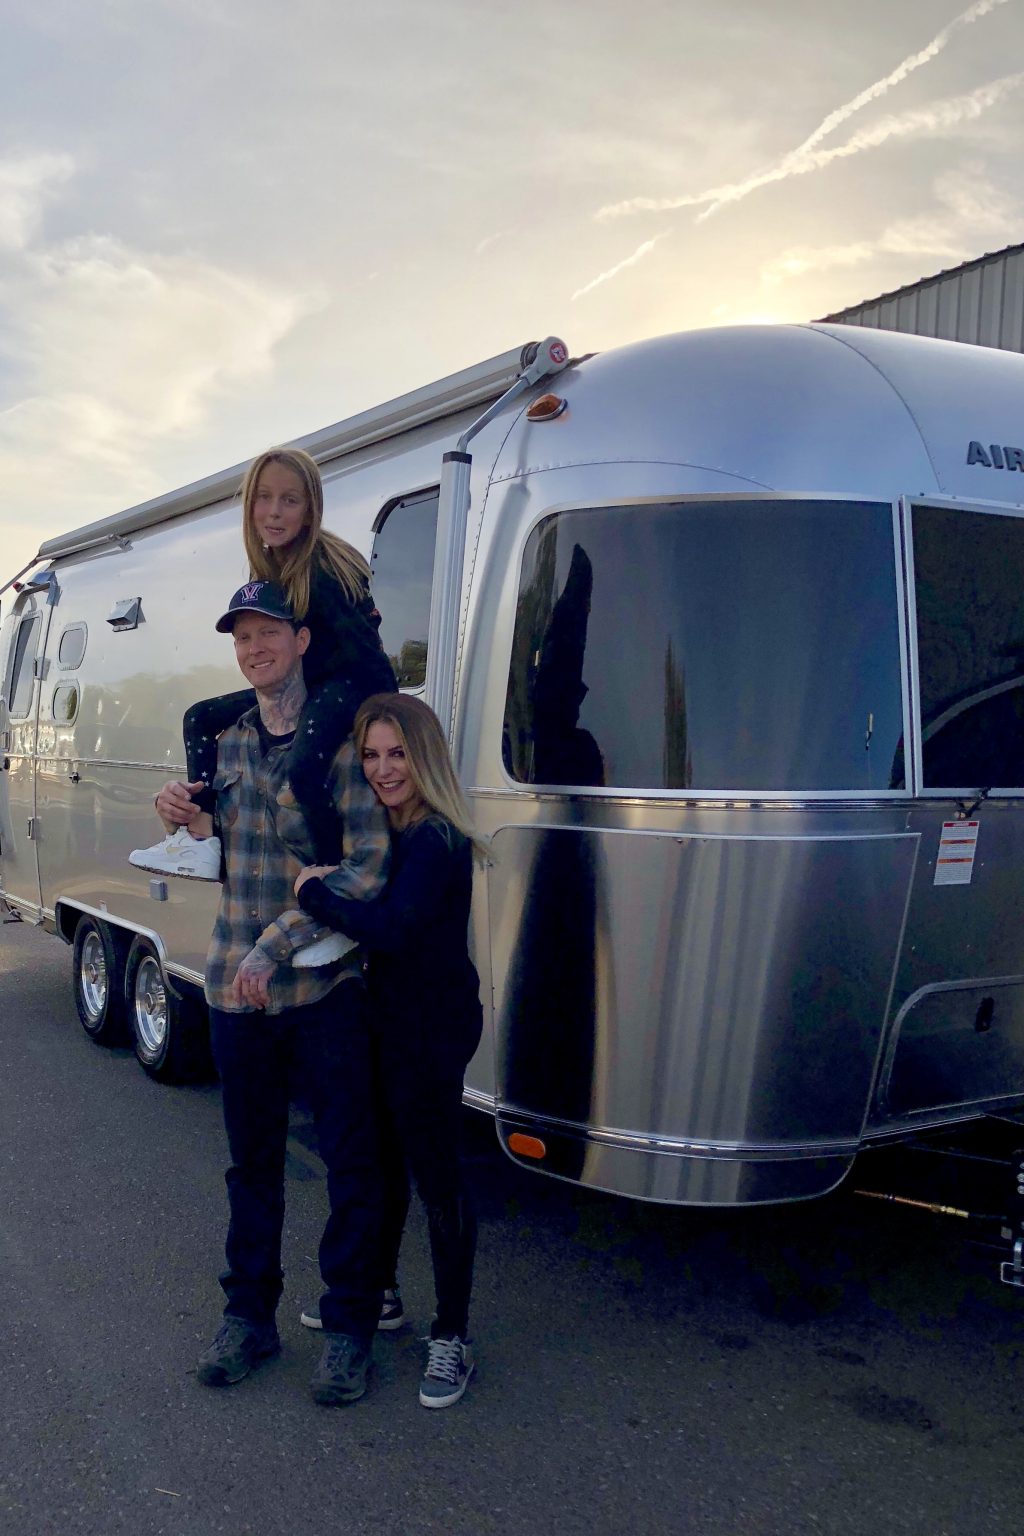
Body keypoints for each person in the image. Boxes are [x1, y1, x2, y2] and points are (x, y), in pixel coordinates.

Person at [150, 579, 391, 1405]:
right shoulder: (226, 744)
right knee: (251, 1166)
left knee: (350, 1163)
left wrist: (277, 942)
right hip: (234, 988)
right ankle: (248, 1319)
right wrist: (179, 813)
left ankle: (349, 1328)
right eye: (242, 637)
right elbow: (221, 846)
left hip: (323, 986)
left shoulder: (342, 748)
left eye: (269, 633)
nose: (254, 649)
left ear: (302, 642)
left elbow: (367, 867)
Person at [290, 694, 485, 1408]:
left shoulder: (435, 838)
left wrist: (314, 895)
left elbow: (395, 929)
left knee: (437, 1180)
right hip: (384, 1021)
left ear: (424, 756)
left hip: (431, 1030)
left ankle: (453, 1336)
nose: (382, 770)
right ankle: (382, 1294)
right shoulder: (383, 830)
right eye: (371, 755)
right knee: (383, 1166)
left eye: (397, 754)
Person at [130, 446, 396, 891]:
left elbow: (363, 651)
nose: (274, 512)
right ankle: (202, 835)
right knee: (199, 717)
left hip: (353, 682)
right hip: (310, 680)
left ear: (310, 510)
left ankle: (330, 871)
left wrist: (385, 714)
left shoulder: (322, 568)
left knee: (304, 769)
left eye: (290, 500)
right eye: (264, 498)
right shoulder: (270, 566)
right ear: (250, 504)